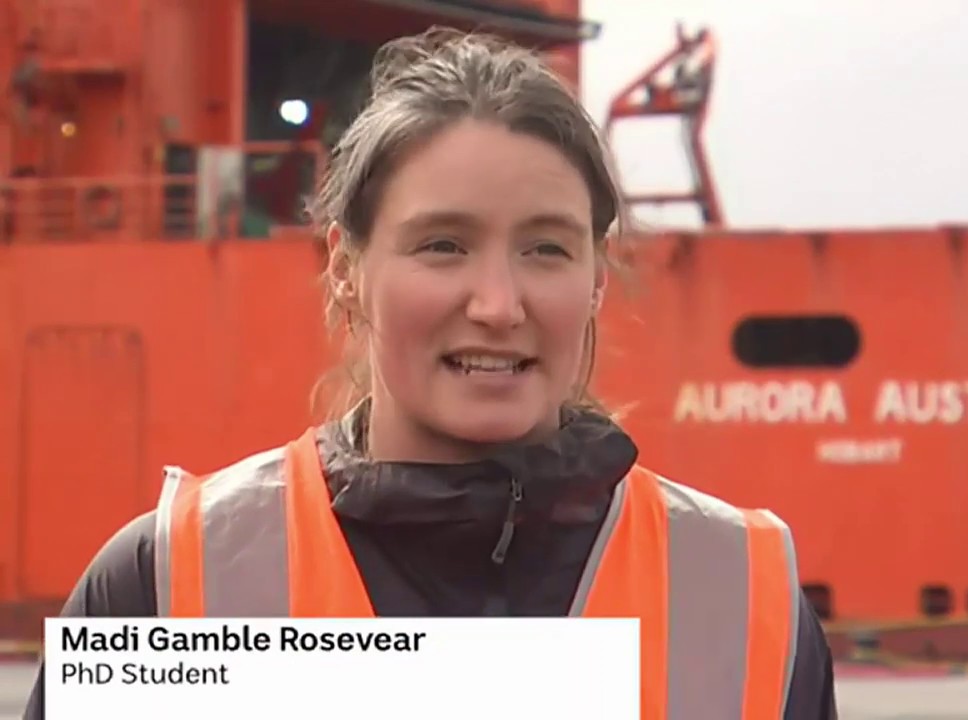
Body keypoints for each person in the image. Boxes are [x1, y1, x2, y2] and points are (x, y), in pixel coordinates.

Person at [23, 28, 837, 719]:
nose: (497, 303)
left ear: (596, 277)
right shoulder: (164, 586)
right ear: (345, 266)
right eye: (442, 244)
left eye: (546, 247)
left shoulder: (745, 602)